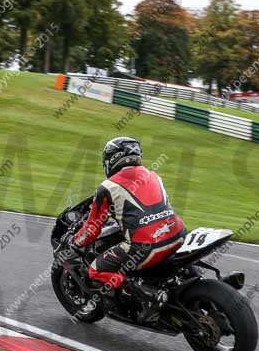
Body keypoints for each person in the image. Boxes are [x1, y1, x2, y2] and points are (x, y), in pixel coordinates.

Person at [64, 137, 186, 321]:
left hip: (146, 247)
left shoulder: (108, 187)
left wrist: (74, 242)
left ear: (112, 159)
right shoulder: (153, 175)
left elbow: (92, 230)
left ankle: (145, 293)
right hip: (178, 233)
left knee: (95, 270)